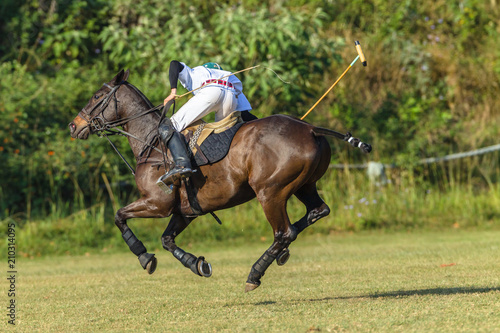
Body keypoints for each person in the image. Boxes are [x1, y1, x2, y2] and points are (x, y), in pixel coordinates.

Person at [157, 61, 255, 190]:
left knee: (170, 125)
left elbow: (174, 64)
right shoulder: (228, 76)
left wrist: (173, 92)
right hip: (231, 96)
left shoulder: (197, 71)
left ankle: (181, 165)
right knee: (223, 135)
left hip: (211, 92)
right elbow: (245, 115)